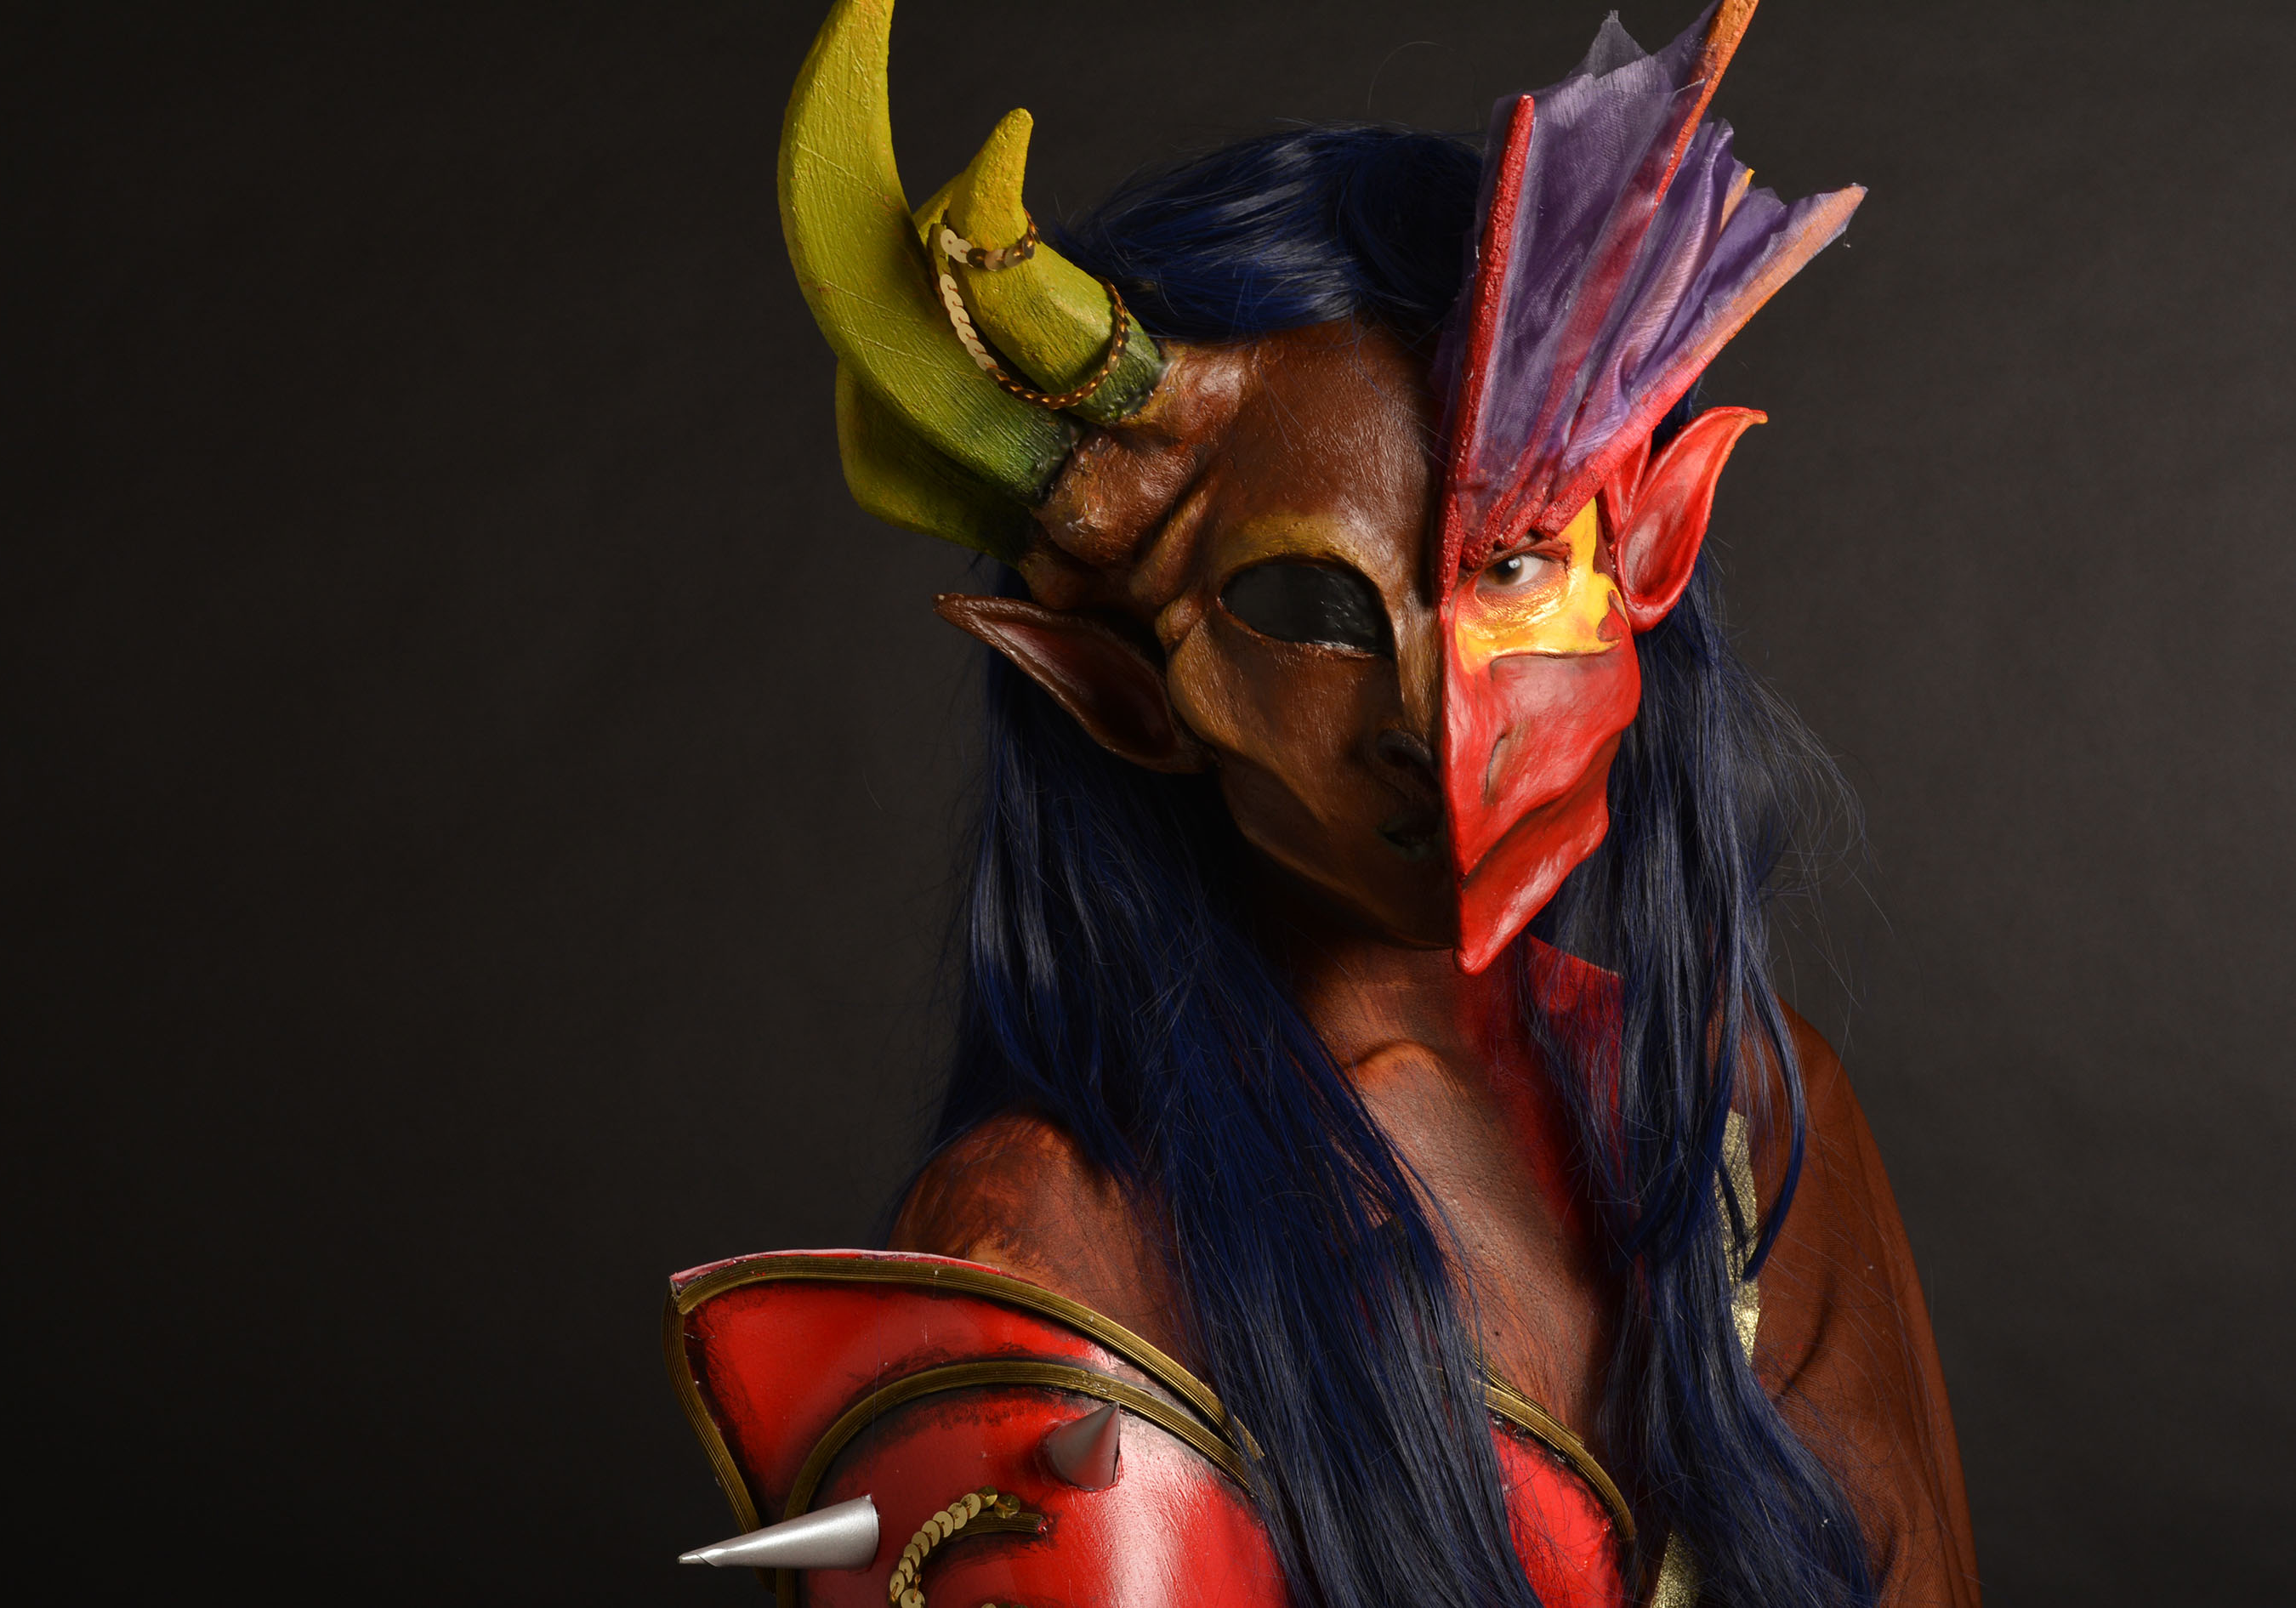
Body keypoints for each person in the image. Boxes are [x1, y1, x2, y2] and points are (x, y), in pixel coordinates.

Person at [664, 3, 1977, 1604]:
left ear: (1649, 553)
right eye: (1315, 609)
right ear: (1122, 689)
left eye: (1511, 566)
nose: (1437, 718)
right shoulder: (1050, 1233)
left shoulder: (1741, 1110)